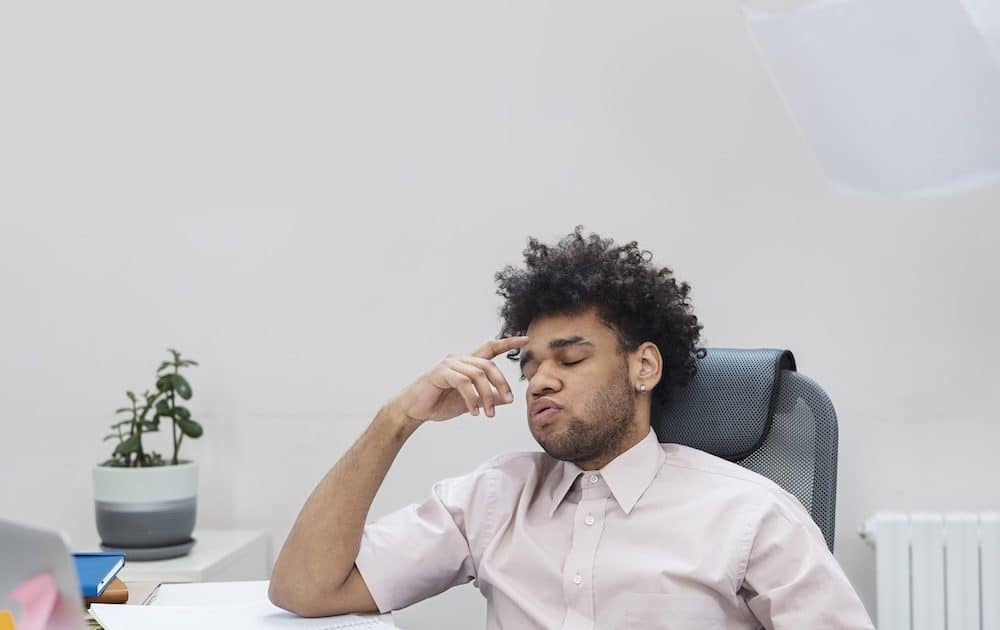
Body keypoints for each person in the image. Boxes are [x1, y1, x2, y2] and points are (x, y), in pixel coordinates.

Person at [269, 227, 875, 629]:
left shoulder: (750, 516)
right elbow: (306, 589)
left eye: (571, 358)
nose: (540, 381)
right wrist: (397, 419)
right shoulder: (492, 499)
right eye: (530, 364)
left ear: (643, 366)